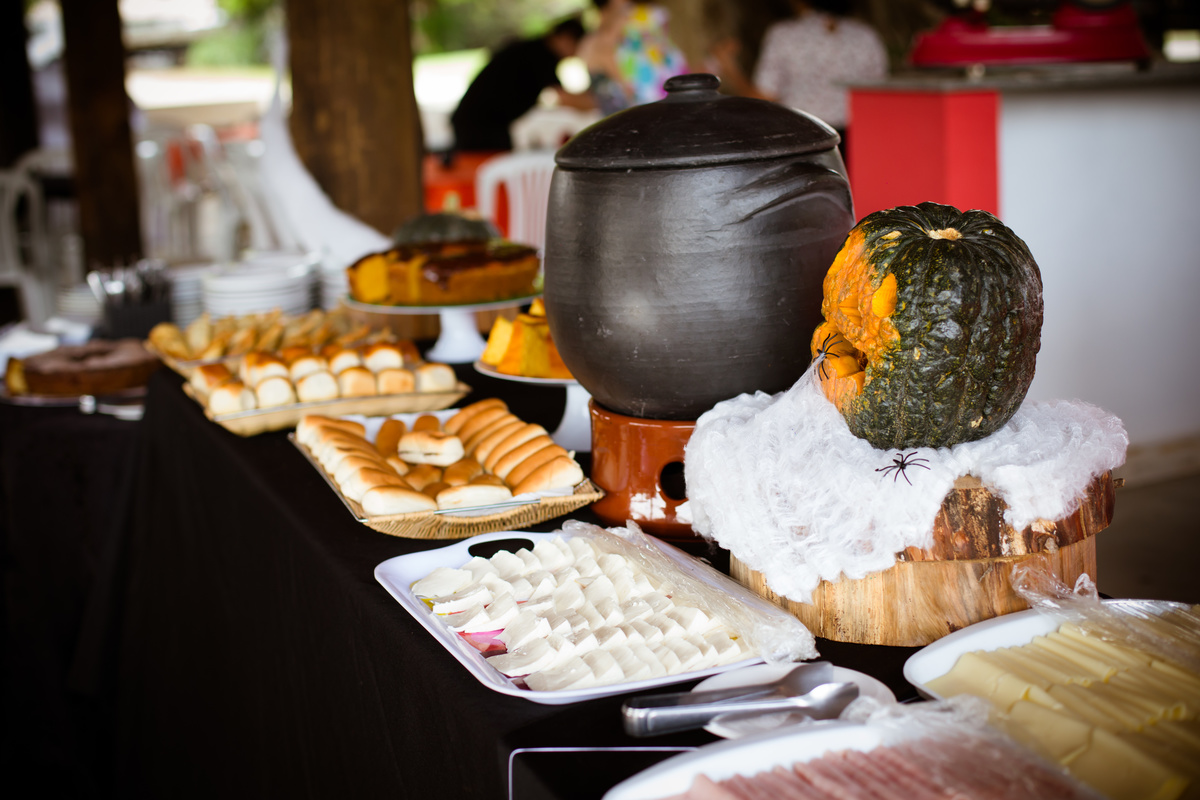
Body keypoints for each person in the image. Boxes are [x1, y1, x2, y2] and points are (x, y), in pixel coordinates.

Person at [752, 0, 887, 157]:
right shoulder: (865, 35)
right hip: (855, 138)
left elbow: (764, 96)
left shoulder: (784, 34)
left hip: (801, 135)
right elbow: (878, 91)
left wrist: (729, 69)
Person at [451, 18, 594, 153]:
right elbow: (565, 97)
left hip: (482, 122)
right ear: (565, 38)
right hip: (480, 125)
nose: (575, 54)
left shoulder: (533, 50)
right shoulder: (541, 55)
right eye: (576, 47)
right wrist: (600, 100)